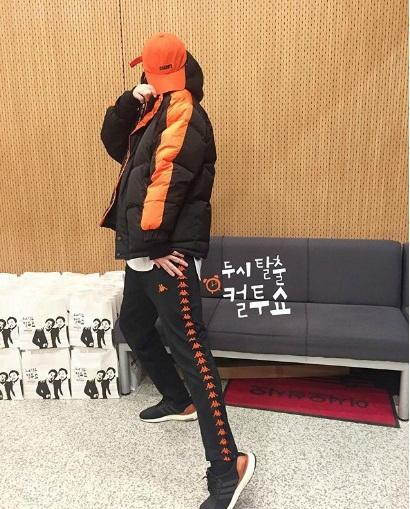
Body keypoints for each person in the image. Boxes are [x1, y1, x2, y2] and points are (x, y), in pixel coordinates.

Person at [100, 32, 255, 508]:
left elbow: (169, 182)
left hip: (164, 253)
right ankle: (177, 398)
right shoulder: (153, 109)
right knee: (134, 325)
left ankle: (227, 467)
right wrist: (130, 100)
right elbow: (115, 146)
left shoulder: (184, 111)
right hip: (144, 251)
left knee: (194, 356)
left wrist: (155, 246)